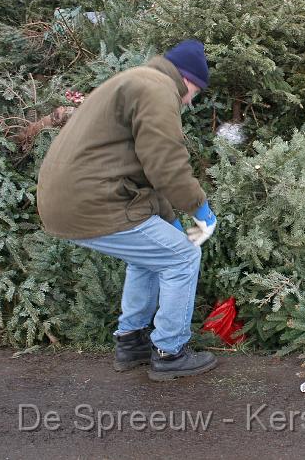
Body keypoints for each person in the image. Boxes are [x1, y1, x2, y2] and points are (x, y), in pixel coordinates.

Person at [37, 39, 218, 381]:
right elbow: (166, 164)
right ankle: (170, 351)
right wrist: (200, 209)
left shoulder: (136, 80)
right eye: (196, 92)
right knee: (182, 258)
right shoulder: (158, 89)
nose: (191, 101)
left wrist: (171, 221)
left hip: (71, 199)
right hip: (93, 201)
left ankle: (131, 342)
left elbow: (145, 170)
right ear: (188, 80)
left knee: (150, 257)